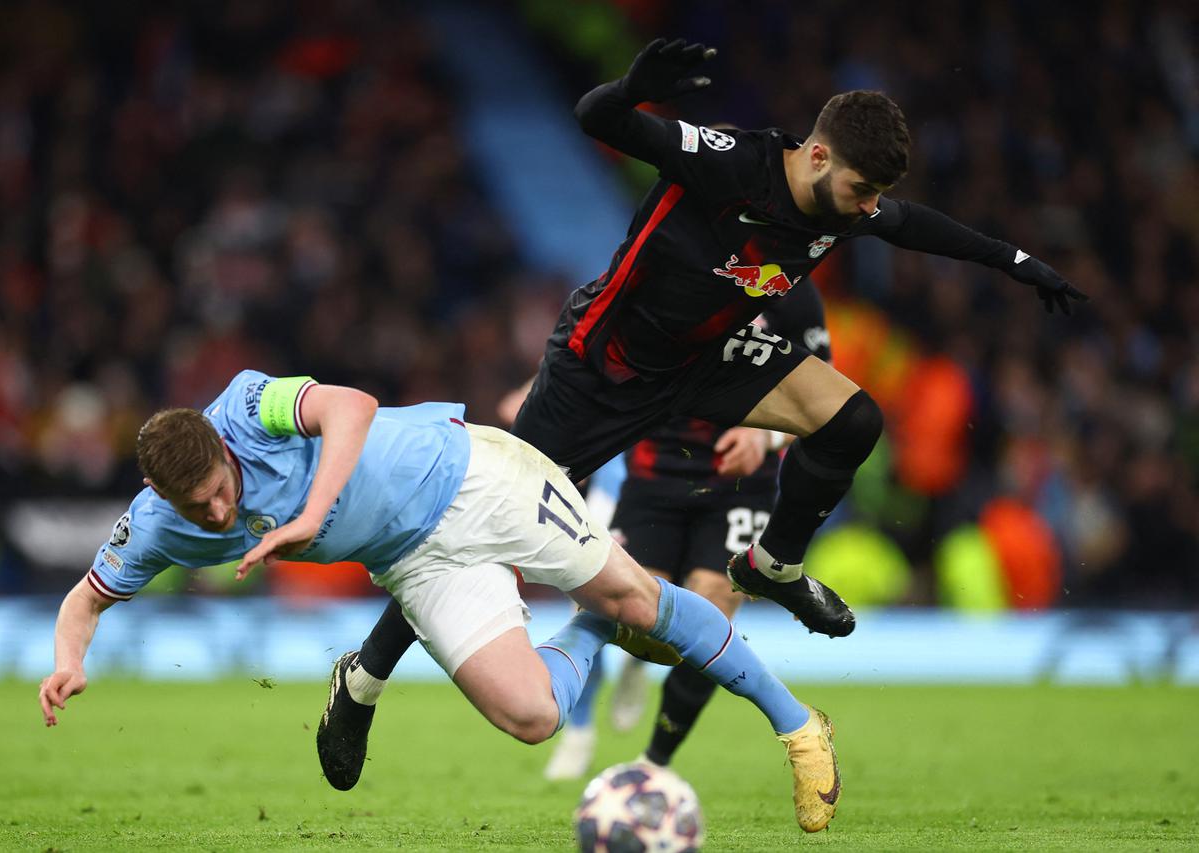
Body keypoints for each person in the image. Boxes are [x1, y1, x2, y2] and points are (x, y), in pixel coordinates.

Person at [326, 36, 1087, 790]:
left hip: (705, 364)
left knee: (854, 419)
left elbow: (919, 226)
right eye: (860, 190)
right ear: (818, 157)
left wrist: (1018, 263)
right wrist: (630, 89)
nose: (868, 209)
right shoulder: (730, 161)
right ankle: (361, 680)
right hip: (601, 371)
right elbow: (600, 118)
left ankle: (775, 564)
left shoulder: (847, 207)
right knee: (477, 533)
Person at [36, 370, 842, 833]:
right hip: (417, 562)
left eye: (219, 492)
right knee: (532, 717)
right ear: (157, 494)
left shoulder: (247, 409)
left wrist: (312, 516)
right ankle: (588, 620)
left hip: (473, 478)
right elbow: (84, 598)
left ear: (219, 448)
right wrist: (67, 662)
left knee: (638, 598)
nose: (216, 514)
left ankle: (797, 725)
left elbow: (349, 405)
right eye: (196, 508)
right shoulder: (154, 526)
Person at [546, 279, 834, 780]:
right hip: (653, 476)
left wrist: (764, 435)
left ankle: (654, 762)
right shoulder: (665, 272)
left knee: (711, 602)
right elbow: (594, 363)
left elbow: (825, 397)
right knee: (613, 604)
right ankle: (588, 715)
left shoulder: (792, 292)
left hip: (739, 485)